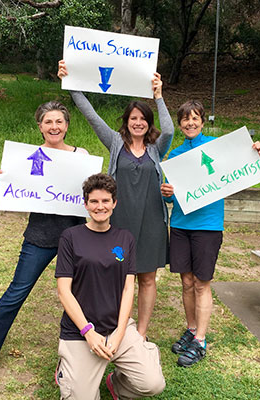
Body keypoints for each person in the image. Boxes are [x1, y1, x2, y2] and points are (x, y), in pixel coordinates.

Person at [0, 100, 88, 384]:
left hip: (75, 237)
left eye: (59, 121)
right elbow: (17, 188)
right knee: (17, 292)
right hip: (39, 236)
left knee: (79, 297)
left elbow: (92, 192)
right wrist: (3, 180)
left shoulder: (81, 155)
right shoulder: (24, 158)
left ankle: (77, 357)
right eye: (48, 122)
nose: (54, 126)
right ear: (40, 127)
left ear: (67, 125)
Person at [57, 60, 174, 339]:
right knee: (116, 276)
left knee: (146, 278)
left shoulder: (157, 148)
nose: (138, 122)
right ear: (126, 122)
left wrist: (158, 96)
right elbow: (90, 114)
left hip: (151, 223)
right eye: (133, 118)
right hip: (119, 223)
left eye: (143, 119)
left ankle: (141, 333)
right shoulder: (115, 143)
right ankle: (113, 324)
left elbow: (169, 129)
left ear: (148, 123)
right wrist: (71, 83)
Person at [161, 99, 260, 367]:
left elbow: (241, 159)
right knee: (186, 281)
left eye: (195, 118)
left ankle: (201, 340)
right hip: (181, 225)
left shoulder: (216, 147)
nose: (190, 123)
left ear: (202, 120)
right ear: (180, 123)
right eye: (185, 119)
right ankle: (191, 328)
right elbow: (171, 199)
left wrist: (253, 151)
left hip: (207, 226)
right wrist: (167, 193)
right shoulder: (174, 156)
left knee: (201, 282)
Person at [55, 173, 165, 400]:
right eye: (94, 201)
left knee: (153, 384)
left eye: (105, 201)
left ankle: (116, 383)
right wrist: (88, 332)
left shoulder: (125, 238)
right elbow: (63, 291)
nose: (100, 206)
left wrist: (120, 332)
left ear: (114, 203)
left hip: (117, 327)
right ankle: (66, 370)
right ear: (85, 204)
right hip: (80, 331)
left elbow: (128, 289)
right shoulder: (70, 237)